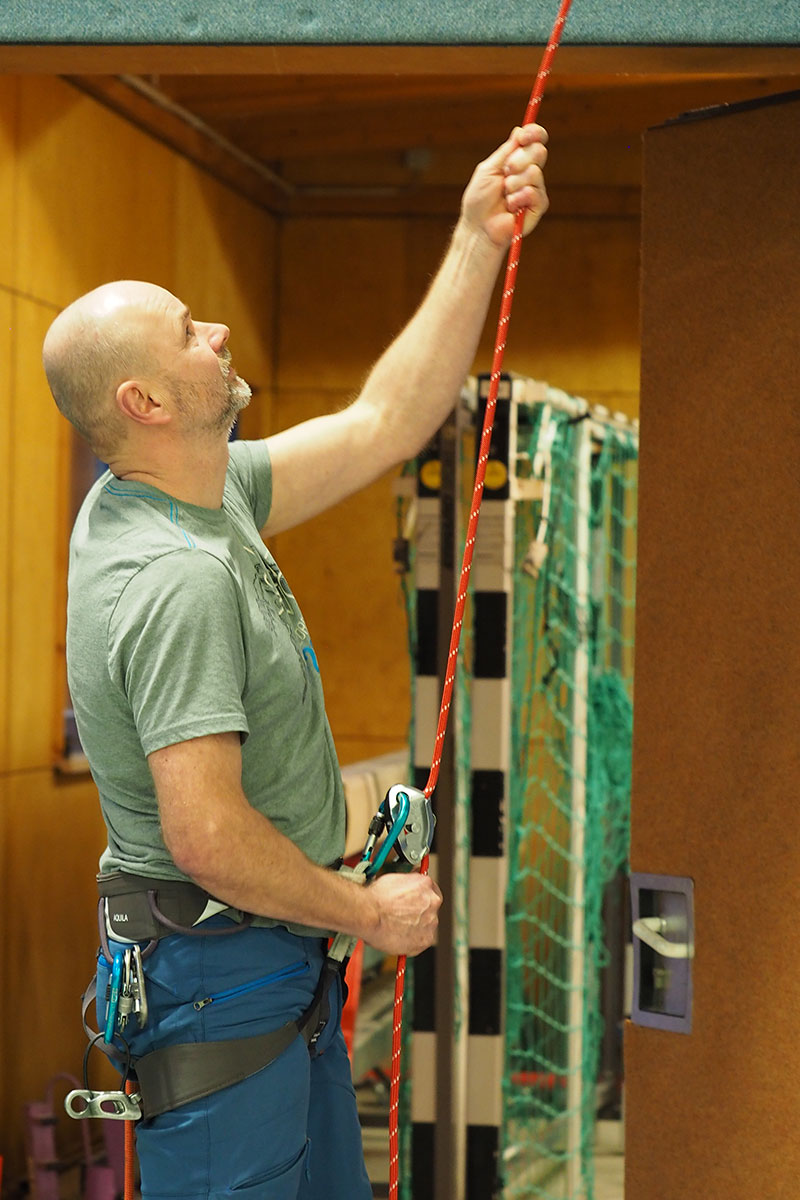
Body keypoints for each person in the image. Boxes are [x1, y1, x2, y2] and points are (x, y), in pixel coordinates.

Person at [43, 123, 549, 1200]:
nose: (218, 330)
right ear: (146, 403)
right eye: (189, 331)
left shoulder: (193, 489)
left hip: (265, 971)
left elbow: (382, 422)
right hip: (221, 977)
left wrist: (475, 236)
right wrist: (366, 913)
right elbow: (206, 834)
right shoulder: (172, 576)